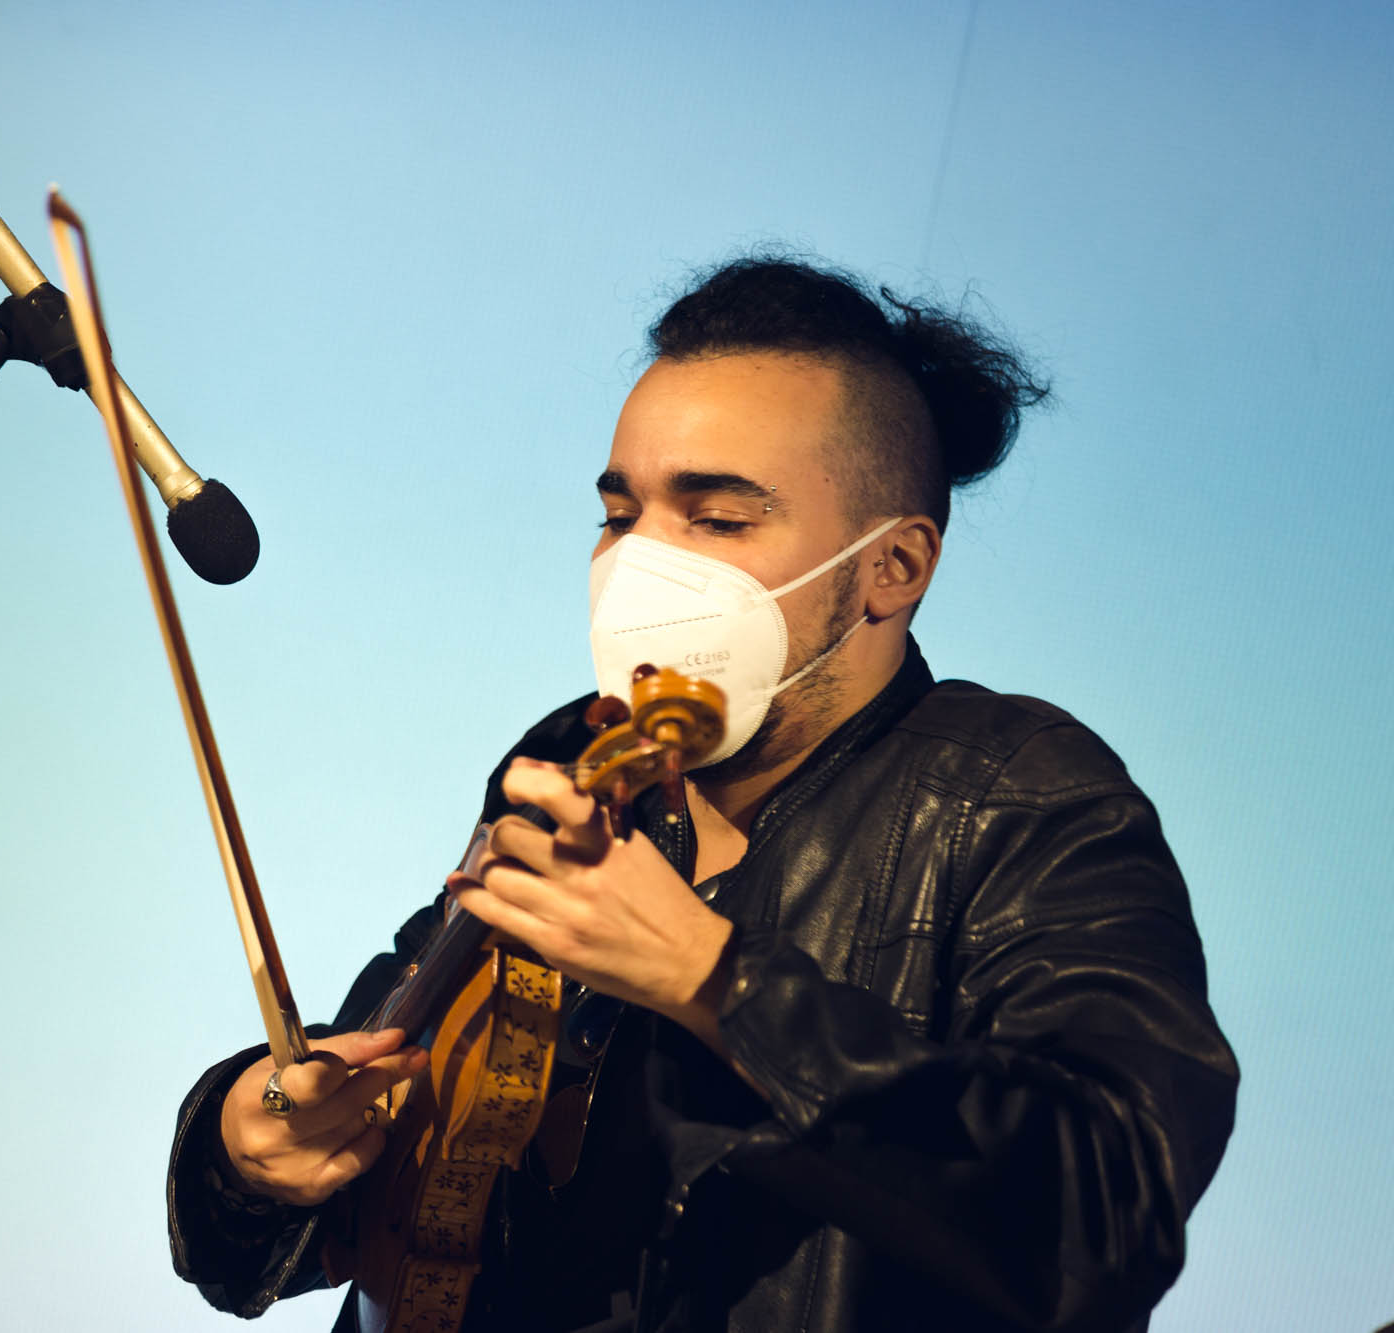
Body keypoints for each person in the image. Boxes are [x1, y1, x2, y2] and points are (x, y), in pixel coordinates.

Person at [166, 256, 1239, 1332]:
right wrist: (246, 1147)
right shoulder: (569, 765)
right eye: (619, 514)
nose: (641, 564)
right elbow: (369, 1134)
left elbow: (1109, 1213)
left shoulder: (1013, 791)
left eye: (717, 520)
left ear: (895, 566)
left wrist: (714, 981)